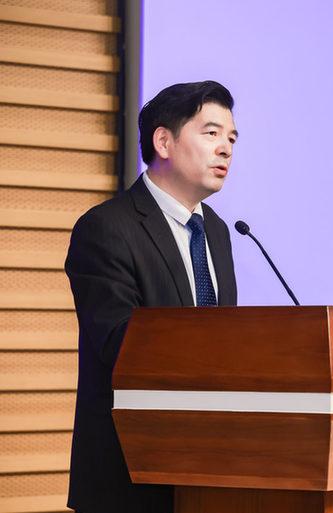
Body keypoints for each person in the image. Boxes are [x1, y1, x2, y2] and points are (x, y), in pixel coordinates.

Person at [64, 80, 239, 513]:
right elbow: (120, 343)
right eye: (211, 133)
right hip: (131, 478)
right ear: (163, 141)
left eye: (232, 139)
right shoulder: (107, 228)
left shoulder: (217, 231)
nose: (226, 149)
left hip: (209, 470)